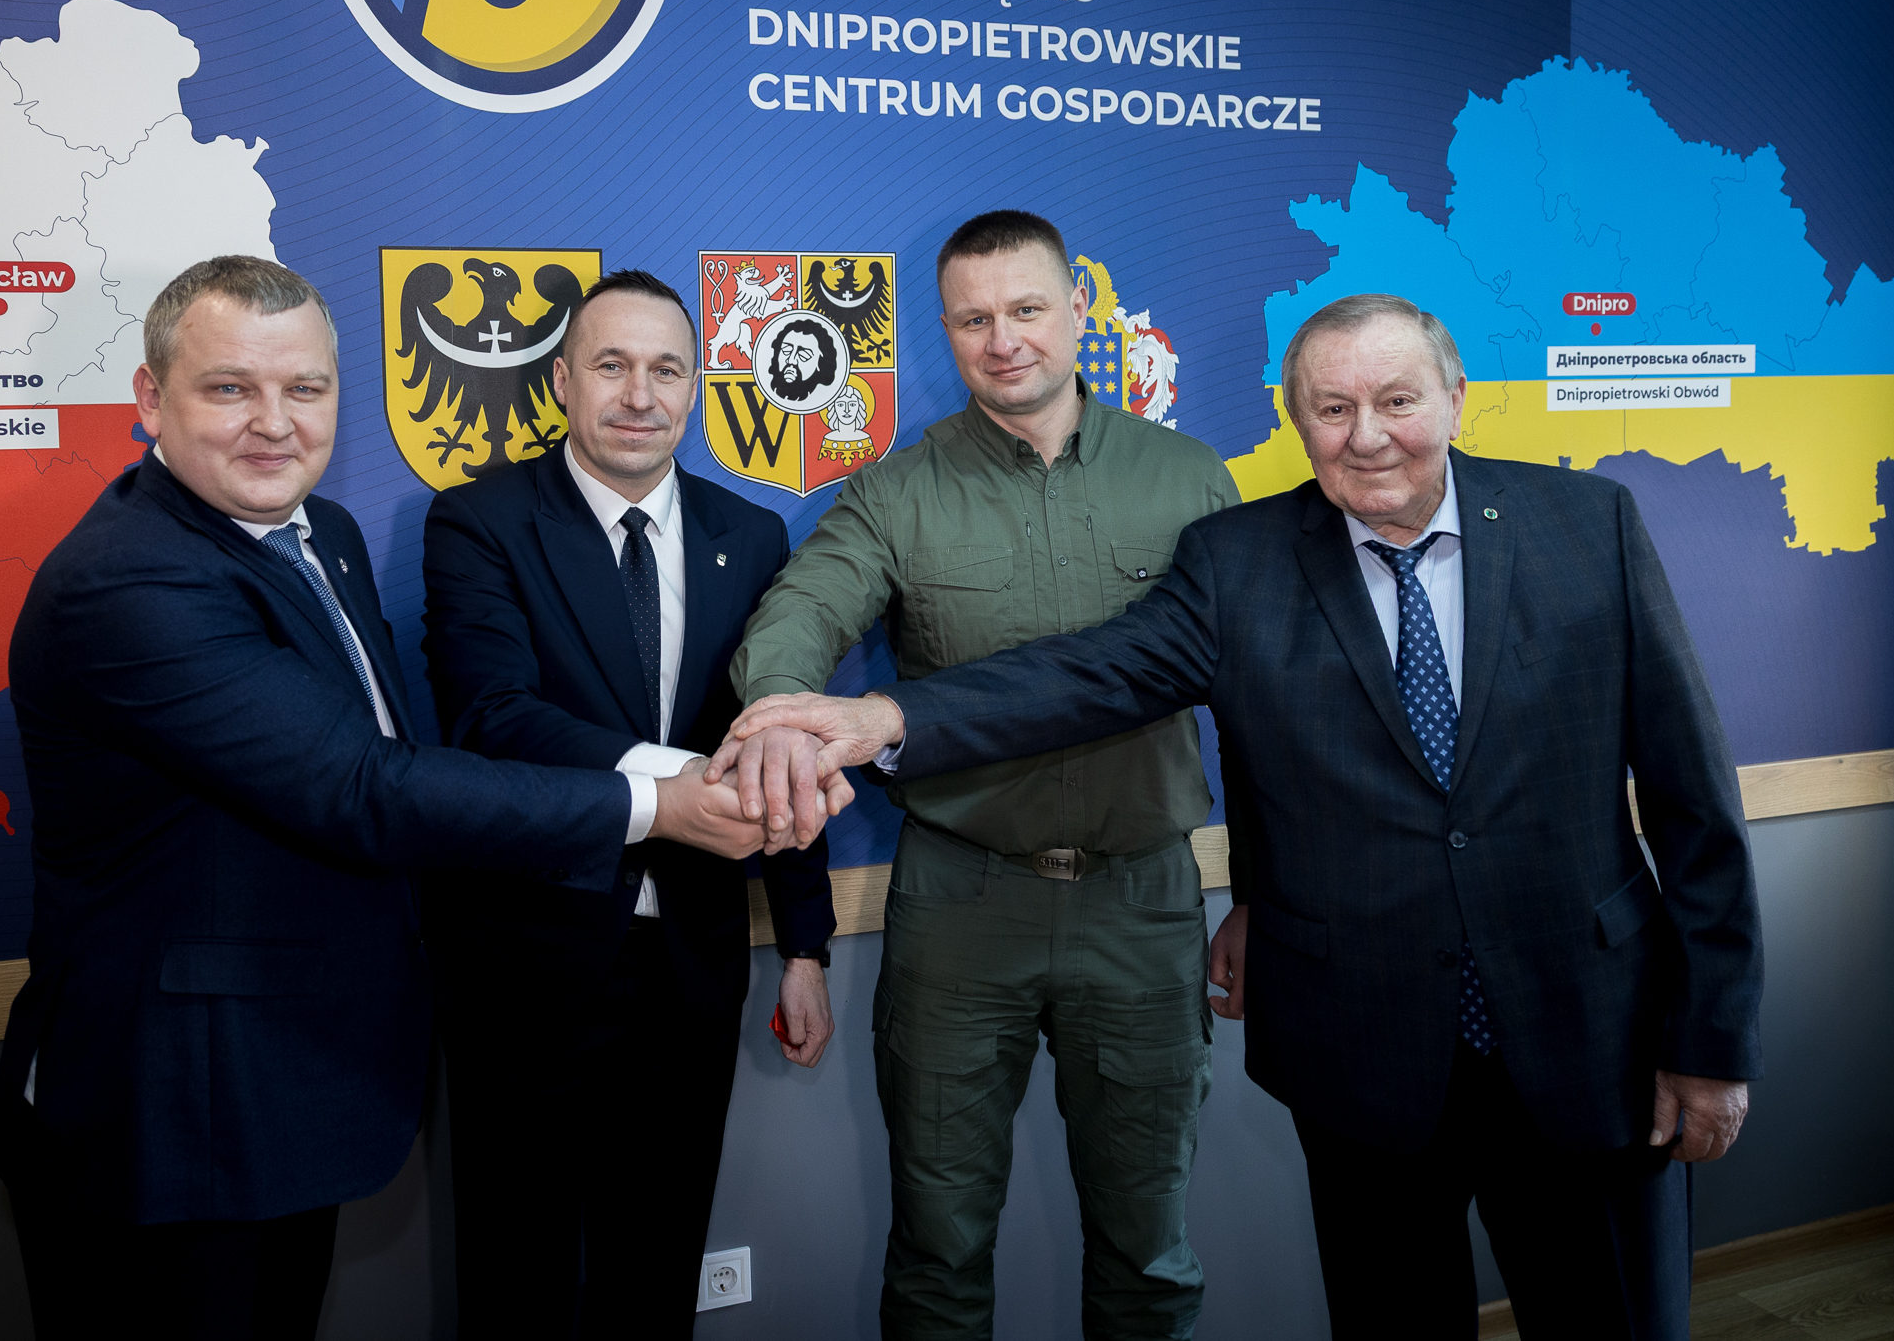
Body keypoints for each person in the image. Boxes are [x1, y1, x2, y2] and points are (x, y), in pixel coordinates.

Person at [718, 292, 1766, 1340]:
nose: (1366, 435)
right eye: (1332, 408)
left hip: (1592, 1046)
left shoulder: (1587, 525)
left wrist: (1712, 1038)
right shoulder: (1240, 560)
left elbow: (1695, 803)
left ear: (1455, 395)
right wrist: (884, 716)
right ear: (1295, 417)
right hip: (1366, 1065)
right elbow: (1088, 675)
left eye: (1397, 400)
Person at [0, 255, 770, 1341]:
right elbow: (364, 784)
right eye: (230, 388)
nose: (274, 422)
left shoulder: (323, 535)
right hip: (170, 1106)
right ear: (150, 399)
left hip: (291, 1076)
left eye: (304, 388)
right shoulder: (130, 577)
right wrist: (658, 802)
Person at [725, 211, 1240, 1339]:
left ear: (1077, 310)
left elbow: (1260, 692)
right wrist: (781, 715)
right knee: (938, 1251)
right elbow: (798, 615)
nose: (1002, 340)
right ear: (943, 330)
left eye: (1026, 309)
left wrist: (1260, 890)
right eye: (972, 319)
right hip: (961, 907)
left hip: (1143, 904)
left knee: (1149, 1251)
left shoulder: (1190, 479)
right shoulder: (895, 493)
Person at [417, 269, 838, 1337]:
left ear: (695, 386)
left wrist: (804, 947)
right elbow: (493, 715)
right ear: (563, 380)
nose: (640, 394)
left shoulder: (753, 533)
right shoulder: (480, 522)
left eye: (665, 369)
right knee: (517, 1281)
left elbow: (776, 733)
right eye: (611, 365)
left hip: (691, 965)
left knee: (657, 1271)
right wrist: (676, 784)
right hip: (529, 960)